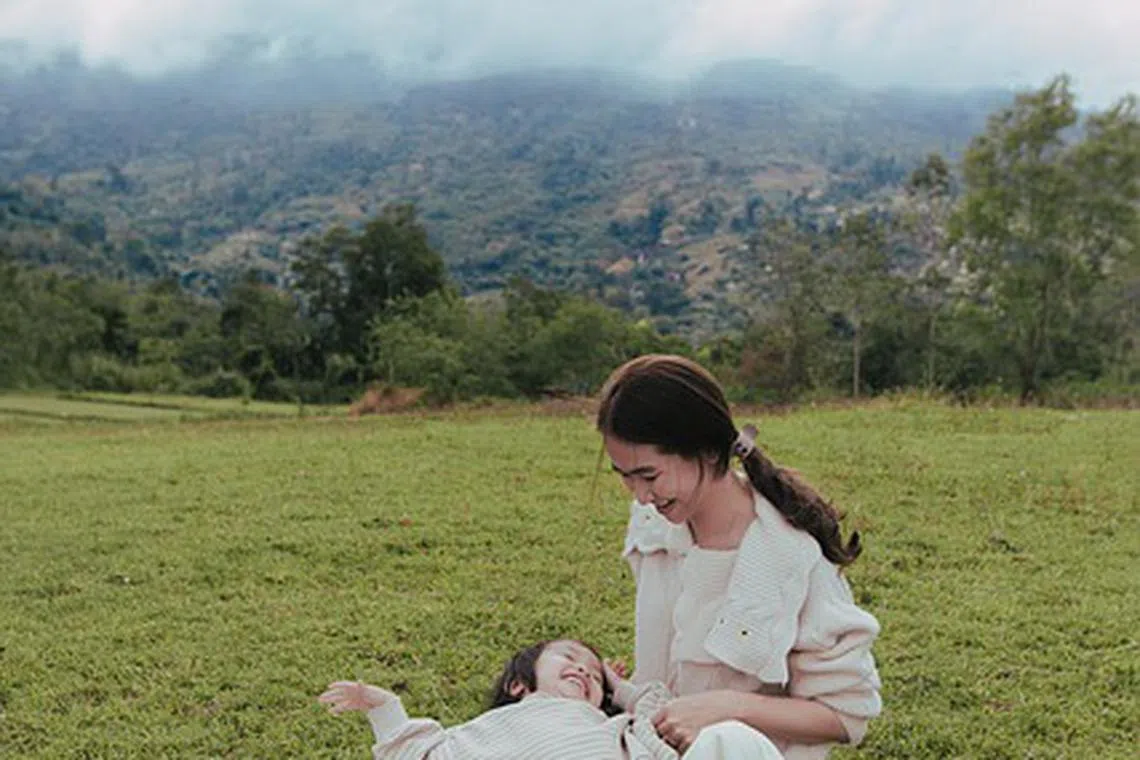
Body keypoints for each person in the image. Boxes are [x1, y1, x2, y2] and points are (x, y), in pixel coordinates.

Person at [596, 355, 882, 759]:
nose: (641, 496)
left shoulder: (788, 556)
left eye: (649, 476)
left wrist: (728, 709)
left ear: (709, 452)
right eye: (625, 476)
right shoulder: (654, 528)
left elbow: (846, 717)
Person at [318, 638, 784, 759]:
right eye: (568, 657)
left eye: (592, 670)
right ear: (519, 684)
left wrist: (618, 691)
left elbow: (655, 711)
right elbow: (412, 751)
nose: (583, 668)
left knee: (733, 741)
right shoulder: (486, 733)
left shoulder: (614, 729)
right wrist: (383, 706)